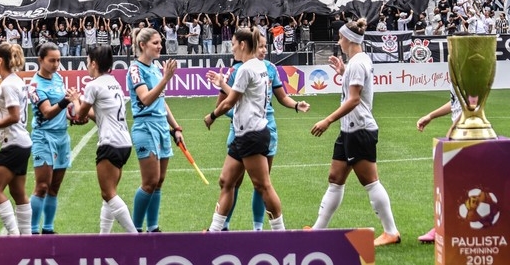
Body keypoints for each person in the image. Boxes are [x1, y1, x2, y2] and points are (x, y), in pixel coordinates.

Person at [309, 17, 401, 246]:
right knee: (335, 178)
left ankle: (391, 232)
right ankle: (318, 231)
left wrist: (327, 120)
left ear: (349, 39)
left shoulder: (358, 63)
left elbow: (354, 100)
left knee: (370, 181)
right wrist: (343, 70)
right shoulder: (356, 63)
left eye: (340, 37)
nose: (338, 41)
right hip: (349, 129)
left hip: (358, 129)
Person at [206, 35, 309, 230]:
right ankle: (216, 231)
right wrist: (223, 85)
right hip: (243, 131)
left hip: (252, 133)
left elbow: (230, 101)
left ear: (243, 45)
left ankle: (277, 233)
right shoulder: (258, 67)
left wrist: (212, 115)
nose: (232, 48)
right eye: (261, 46)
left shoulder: (248, 68)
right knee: (226, 181)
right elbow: (239, 97)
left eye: (234, 44)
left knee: (262, 186)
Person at [65, 44, 137, 233]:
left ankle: (135, 236)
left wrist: (74, 99)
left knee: (109, 193)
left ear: (94, 63)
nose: (87, 65)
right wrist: (81, 107)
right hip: (124, 142)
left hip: (109, 143)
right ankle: (103, 237)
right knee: (108, 194)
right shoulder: (113, 83)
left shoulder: (93, 85)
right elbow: (99, 116)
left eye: (88, 62)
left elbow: (80, 115)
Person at [127, 27, 183, 232]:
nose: (160, 46)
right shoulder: (135, 69)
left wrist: (175, 127)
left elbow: (161, 100)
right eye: (155, 43)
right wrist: (165, 79)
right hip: (145, 127)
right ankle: (135, 229)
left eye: (160, 42)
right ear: (143, 45)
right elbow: (146, 98)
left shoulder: (155, 67)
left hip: (161, 126)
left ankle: (153, 228)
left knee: (159, 181)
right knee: (149, 182)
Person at [0, 43, 32, 235]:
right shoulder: (14, 81)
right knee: (18, 193)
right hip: (22, 142)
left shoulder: (9, 84)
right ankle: (26, 239)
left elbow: (14, 116)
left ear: (0, 60)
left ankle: (14, 236)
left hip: (13, 143)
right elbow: (3, 113)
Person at [28, 42, 70, 234]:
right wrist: (66, 102)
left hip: (62, 137)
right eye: (52, 60)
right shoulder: (35, 85)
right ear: (40, 60)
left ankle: (48, 229)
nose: (56, 64)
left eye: (58, 60)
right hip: (44, 137)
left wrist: (73, 116)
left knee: (54, 187)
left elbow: (62, 110)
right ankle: (33, 230)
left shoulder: (58, 78)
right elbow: (47, 112)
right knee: (42, 186)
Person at [415, 88, 460, 243]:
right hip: (461, 131)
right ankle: (446, 227)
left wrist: (454, 131)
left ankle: (444, 228)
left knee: (454, 185)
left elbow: (472, 105)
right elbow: (456, 103)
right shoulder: (456, 72)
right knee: (455, 185)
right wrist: (431, 116)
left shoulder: (467, 68)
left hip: (465, 133)